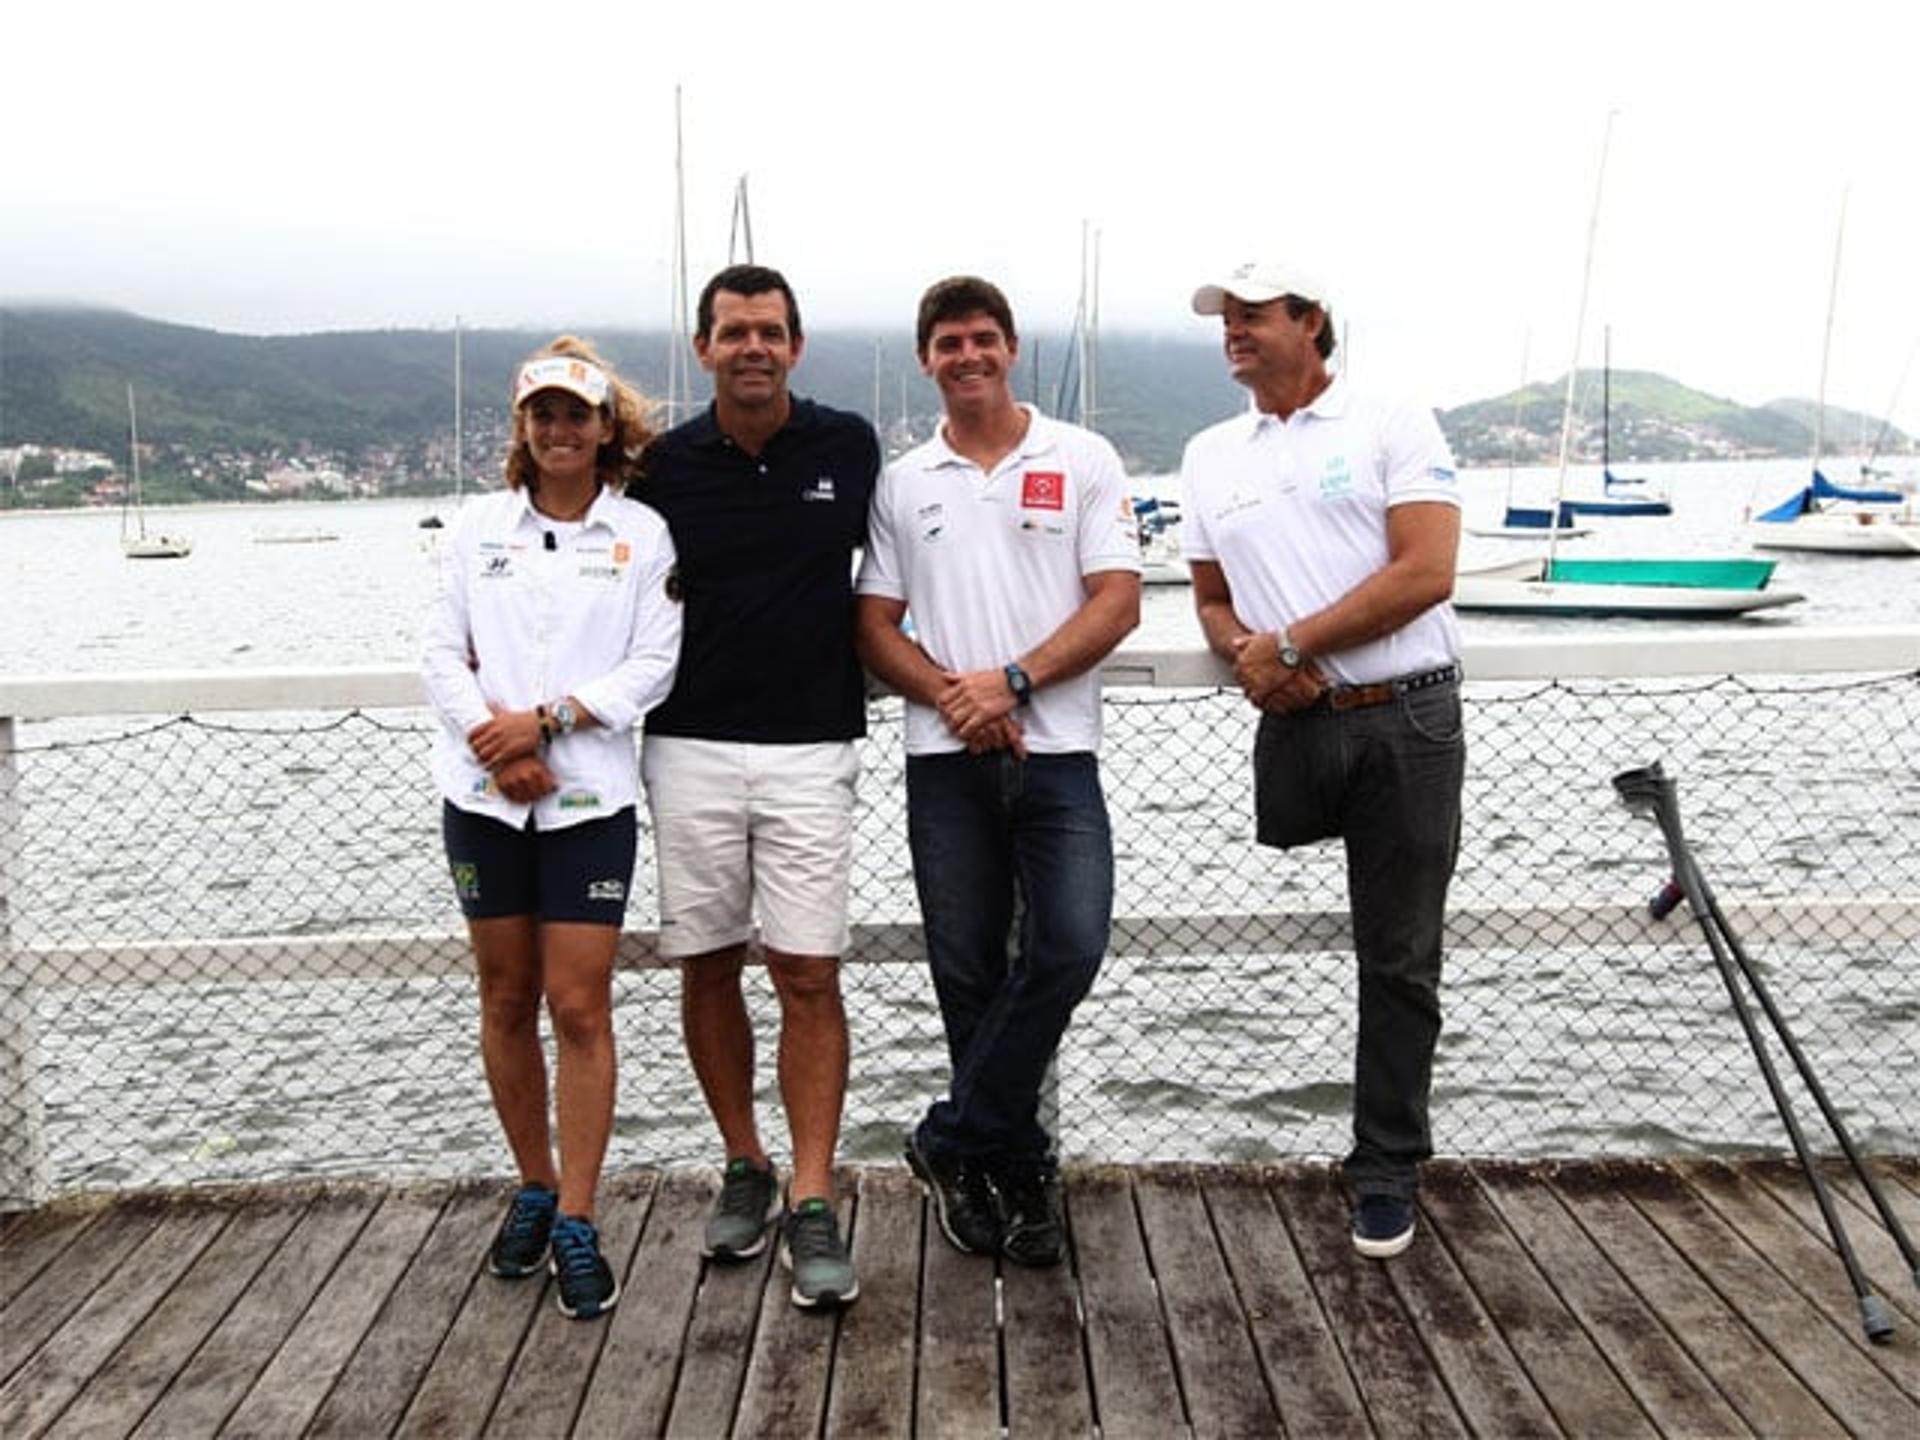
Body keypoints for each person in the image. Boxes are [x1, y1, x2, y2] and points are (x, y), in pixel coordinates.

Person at [1178, 260, 1465, 1258]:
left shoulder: (1392, 420)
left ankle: (1385, 1167)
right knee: (1234, 933)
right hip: (1294, 719)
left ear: (1312, 321)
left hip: (1408, 719)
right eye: (1227, 318)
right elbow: (1210, 598)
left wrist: (1292, 642)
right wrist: (1250, 657)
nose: (1234, 332)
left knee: (1398, 955)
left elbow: (1428, 571)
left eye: (1254, 315)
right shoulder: (1210, 454)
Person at [855, 275, 1141, 1268]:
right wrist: (952, 697)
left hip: (1060, 753)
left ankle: (949, 1135)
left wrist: (1011, 684)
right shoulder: (904, 480)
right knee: (967, 971)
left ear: (1011, 348)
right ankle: (1012, 1171)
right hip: (944, 759)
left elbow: (1117, 603)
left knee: (1068, 946)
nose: (967, 356)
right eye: (948, 343)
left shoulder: (1083, 457)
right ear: (927, 358)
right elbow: (873, 625)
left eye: (983, 338)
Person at [628, 264, 878, 1309]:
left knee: (809, 972)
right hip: (686, 744)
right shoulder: (661, 469)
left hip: (812, 745)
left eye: (771, 331)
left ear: (796, 345)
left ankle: (814, 1195)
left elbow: (919, 569)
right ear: (703, 349)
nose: (753, 348)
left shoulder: (849, 446)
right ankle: (747, 1163)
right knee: (707, 965)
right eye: (734, 332)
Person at [422, 337, 681, 1319]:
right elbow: (441, 652)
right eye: (544, 414)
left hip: (589, 802)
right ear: (521, 430)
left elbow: (652, 664)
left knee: (579, 1008)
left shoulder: (643, 536)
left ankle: (578, 1214)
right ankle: (532, 1184)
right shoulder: (474, 528)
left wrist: (551, 723)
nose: (561, 429)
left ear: (605, 427)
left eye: (578, 413)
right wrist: (501, 747)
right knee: (504, 996)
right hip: (485, 796)